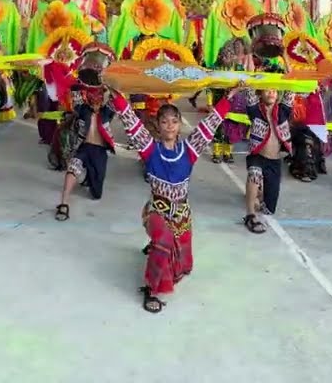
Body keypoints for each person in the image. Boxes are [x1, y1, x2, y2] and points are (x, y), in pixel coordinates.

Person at [110, 87, 231, 314]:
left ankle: (157, 248)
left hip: (181, 215)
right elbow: (131, 122)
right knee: (164, 241)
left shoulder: (190, 149)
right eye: (164, 122)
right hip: (155, 211)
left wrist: (229, 99)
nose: (169, 126)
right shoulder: (149, 148)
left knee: (183, 264)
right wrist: (117, 96)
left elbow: (211, 123)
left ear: (179, 125)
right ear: (158, 124)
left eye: (174, 121)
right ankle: (150, 289)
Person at [53, 84, 118, 221]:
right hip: (84, 148)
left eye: (98, 99)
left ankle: (90, 177)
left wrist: (108, 85)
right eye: (92, 98)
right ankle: (64, 203)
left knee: (96, 193)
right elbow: (75, 90)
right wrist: (83, 80)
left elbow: (117, 98)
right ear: (87, 99)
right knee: (72, 168)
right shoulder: (82, 109)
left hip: (100, 152)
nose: (95, 102)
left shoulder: (107, 112)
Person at [237, 88, 293, 234]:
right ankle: (250, 215)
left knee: (269, 209)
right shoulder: (255, 110)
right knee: (254, 174)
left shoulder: (283, 111)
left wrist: (288, 65)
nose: (271, 93)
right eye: (267, 90)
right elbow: (249, 87)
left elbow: (291, 89)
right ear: (260, 93)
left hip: (274, 161)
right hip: (257, 156)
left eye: (274, 90)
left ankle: (258, 193)